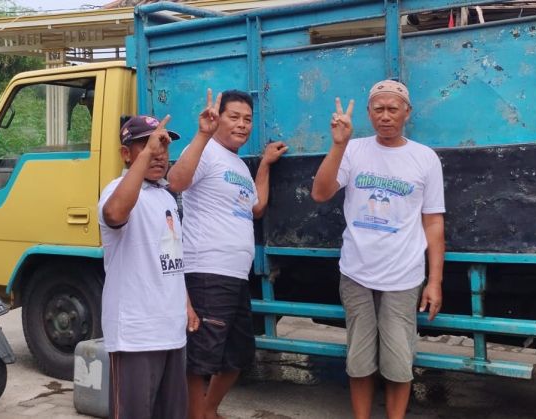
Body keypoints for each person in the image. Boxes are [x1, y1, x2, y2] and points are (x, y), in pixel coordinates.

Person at [311, 80, 446, 419]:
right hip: (356, 273)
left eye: (393, 109)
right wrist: (338, 145)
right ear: (369, 113)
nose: (385, 116)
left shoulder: (424, 158)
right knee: (358, 360)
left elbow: (433, 223)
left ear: (407, 113)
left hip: (404, 276)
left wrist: (435, 281)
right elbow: (320, 192)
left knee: (399, 363)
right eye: (378, 109)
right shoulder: (353, 150)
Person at [98, 88, 221, 419]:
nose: (158, 153)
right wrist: (144, 158)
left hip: (171, 329)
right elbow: (114, 215)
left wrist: (186, 305)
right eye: (147, 145)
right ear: (126, 153)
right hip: (135, 335)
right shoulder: (117, 191)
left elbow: (170, 259)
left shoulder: (166, 197)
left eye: (164, 145)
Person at [167, 89, 288, 419]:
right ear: (216, 118)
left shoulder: (236, 164)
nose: (242, 124)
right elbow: (175, 182)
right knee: (201, 357)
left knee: (238, 355)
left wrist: (264, 164)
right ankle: (198, 414)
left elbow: (257, 207)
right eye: (234, 117)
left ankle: (207, 410)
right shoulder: (205, 152)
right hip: (207, 269)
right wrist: (201, 135)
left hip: (235, 275)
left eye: (247, 119)